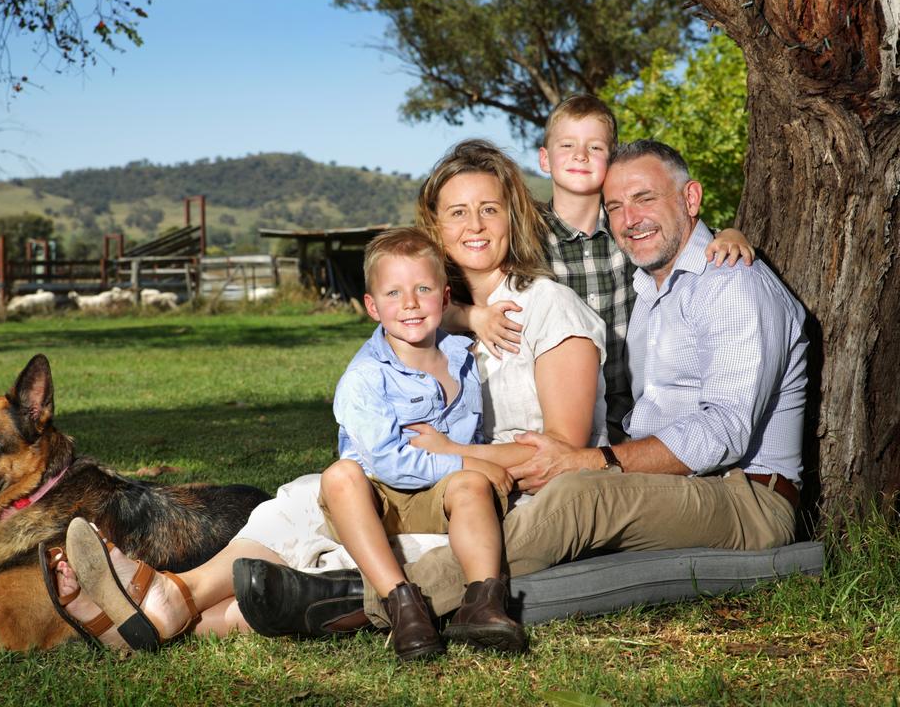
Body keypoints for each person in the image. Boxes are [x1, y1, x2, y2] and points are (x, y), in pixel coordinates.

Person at [50, 139, 608, 650]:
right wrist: (464, 314)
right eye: (457, 212)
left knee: (340, 536)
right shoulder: (438, 317)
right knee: (303, 499)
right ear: (436, 228)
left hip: (500, 489)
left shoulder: (547, 307)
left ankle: (161, 605)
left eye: (489, 208)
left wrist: (451, 450)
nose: (475, 224)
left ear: (513, 214)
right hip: (433, 471)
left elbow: (560, 454)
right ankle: (172, 602)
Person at [342, 139, 808, 626]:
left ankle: (368, 603)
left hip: (746, 497)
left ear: (690, 199)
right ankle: (377, 584)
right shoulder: (646, 284)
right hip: (674, 482)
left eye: (645, 198)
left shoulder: (733, 284)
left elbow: (723, 433)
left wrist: (598, 460)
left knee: (582, 495)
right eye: (616, 207)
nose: (630, 218)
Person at [467, 95, 754, 444]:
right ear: (544, 158)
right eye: (567, 145)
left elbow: (686, 234)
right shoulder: (524, 233)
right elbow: (447, 284)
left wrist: (730, 234)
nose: (580, 155)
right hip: (553, 407)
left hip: (629, 406)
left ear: (612, 159)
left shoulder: (631, 229)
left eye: (595, 147)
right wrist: (471, 317)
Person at [320, 226, 524, 659]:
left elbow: (470, 438)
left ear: (445, 298)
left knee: (473, 487)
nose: (410, 303)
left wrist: (470, 468)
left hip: (434, 498)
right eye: (393, 293)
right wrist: (466, 464)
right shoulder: (364, 378)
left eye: (423, 288)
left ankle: (483, 602)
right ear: (372, 306)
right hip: (378, 499)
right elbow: (390, 464)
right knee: (340, 476)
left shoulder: (462, 357)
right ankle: (402, 603)